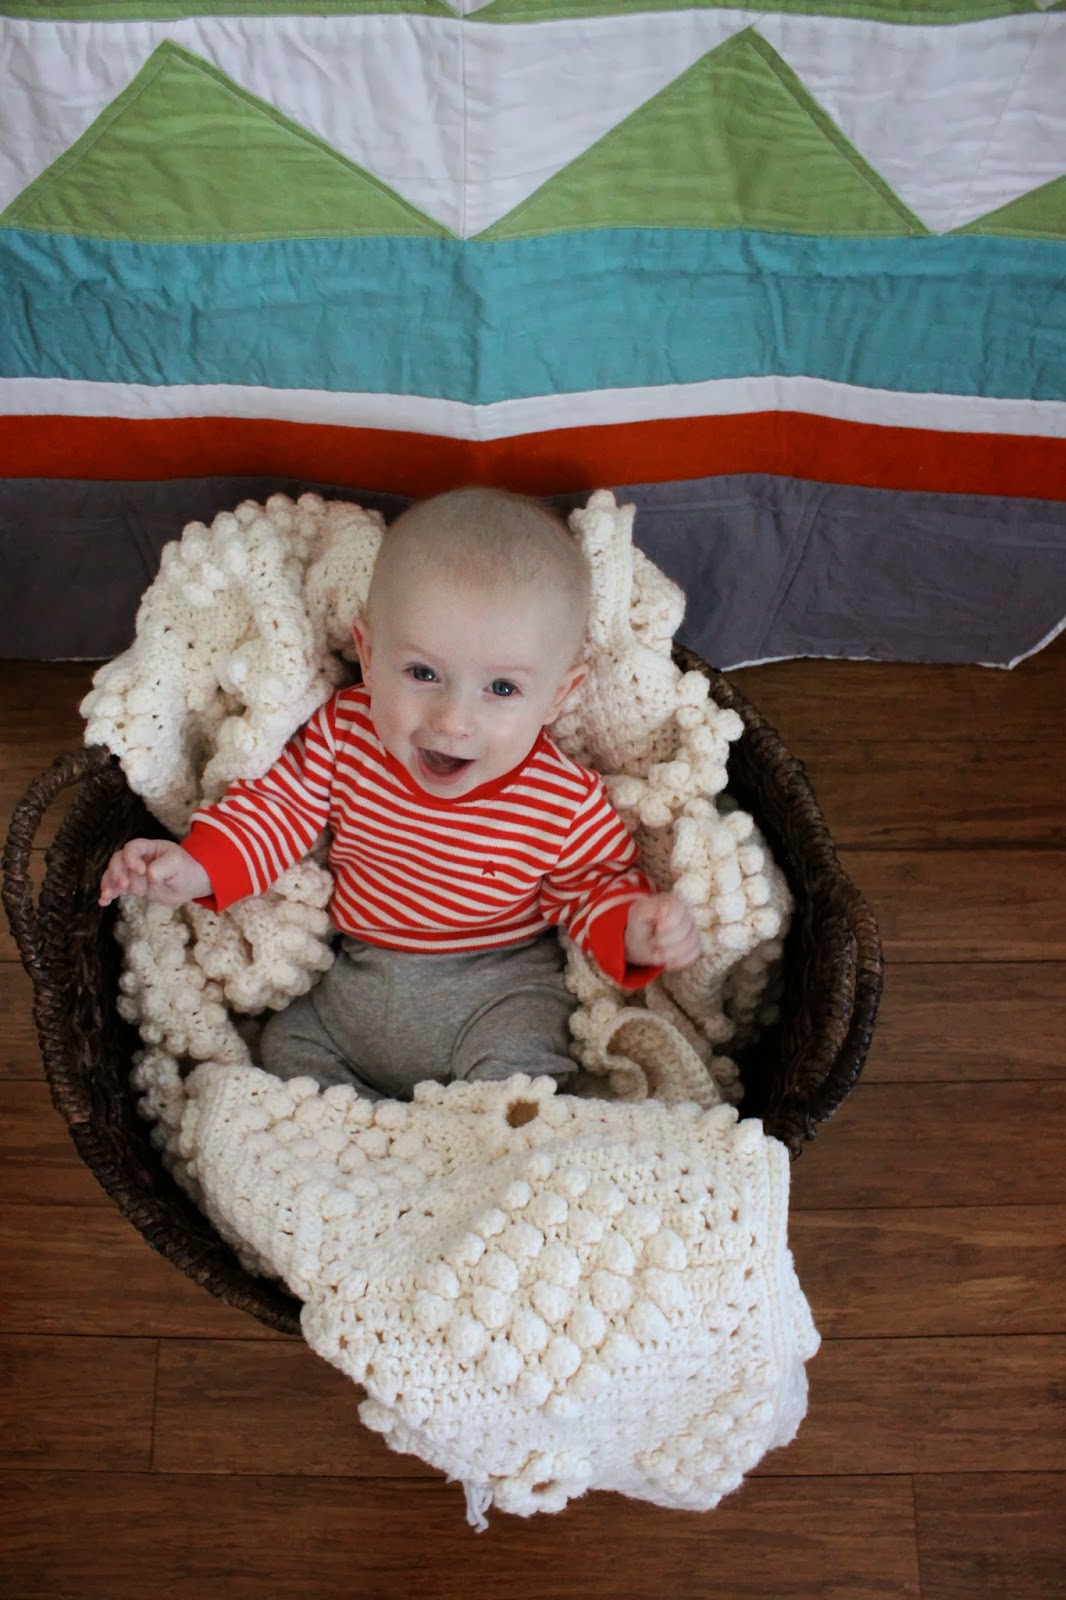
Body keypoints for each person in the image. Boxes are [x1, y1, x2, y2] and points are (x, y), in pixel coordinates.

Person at [98, 487, 702, 1099]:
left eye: (501, 689)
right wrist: (195, 867)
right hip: (357, 979)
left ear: (556, 696)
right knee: (285, 1051)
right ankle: (371, 1145)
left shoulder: (562, 798)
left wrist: (637, 928)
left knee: (517, 1086)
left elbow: (594, 885)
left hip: (500, 990)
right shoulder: (345, 735)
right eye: (422, 673)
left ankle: (464, 1136)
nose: (452, 720)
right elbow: (276, 810)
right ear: (368, 656)